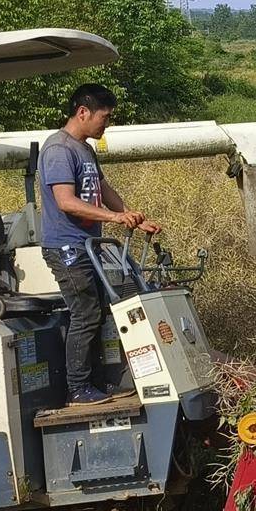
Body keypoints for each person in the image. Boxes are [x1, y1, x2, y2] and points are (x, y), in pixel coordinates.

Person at [39, 84, 161, 405]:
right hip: (67, 247)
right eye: (104, 117)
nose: (107, 124)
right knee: (86, 313)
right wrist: (112, 218)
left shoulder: (85, 150)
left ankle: (97, 382)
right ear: (83, 112)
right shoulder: (58, 150)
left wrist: (130, 215)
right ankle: (77, 388)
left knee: (101, 311)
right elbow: (65, 202)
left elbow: (102, 188)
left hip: (87, 245)